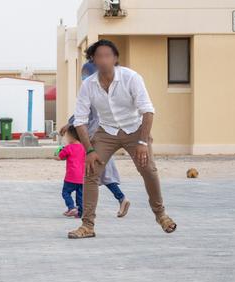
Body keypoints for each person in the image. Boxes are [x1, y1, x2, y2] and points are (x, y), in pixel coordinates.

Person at [68, 40, 177, 239]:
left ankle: (161, 215)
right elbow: (80, 121)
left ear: (115, 58)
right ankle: (87, 225)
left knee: (149, 170)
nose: (103, 60)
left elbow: (147, 111)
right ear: (93, 59)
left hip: (135, 129)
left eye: (107, 56)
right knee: (90, 172)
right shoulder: (88, 85)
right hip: (106, 131)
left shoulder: (131, 78)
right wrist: (90, 151)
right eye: (98, 56)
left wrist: (143, 143)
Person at [61, 61, 130, 218]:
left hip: (94, 140)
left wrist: (70, 124)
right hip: (104, 138)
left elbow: (82, 114)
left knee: (89, 177)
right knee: (105, 175)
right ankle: (121, 199)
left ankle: (85, 210)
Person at [55, 125, 85, 218]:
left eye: (67, 136)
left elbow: (59, 157)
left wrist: (56, 154)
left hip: (71, 177)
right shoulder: (84, 147)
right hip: (82, 177)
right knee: (80, 196)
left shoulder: (68, 148)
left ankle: (71, 207)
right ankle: (80, 212)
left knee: (66, 193)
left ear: (71, 136)